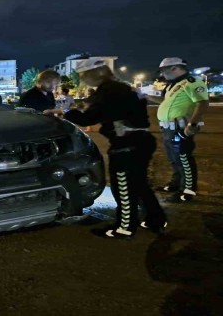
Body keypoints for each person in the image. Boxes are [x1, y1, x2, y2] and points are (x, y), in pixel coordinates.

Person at [44, 58, 166, 239]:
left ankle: (125, 227)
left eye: (84, 75)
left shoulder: (109, 91)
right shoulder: (122, 87)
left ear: (96, 73)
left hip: (126, 144)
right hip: (140, 140)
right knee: (140, 184)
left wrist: (66, 113)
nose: (83, 79)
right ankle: (155, 218)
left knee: (123, 187)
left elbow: (89, 118)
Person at [145, 58, 209, 202]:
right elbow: (165, 103)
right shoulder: (173, 85)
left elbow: (202, 103)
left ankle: (188, 190)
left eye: (163, 70)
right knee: (173, 158)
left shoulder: (193, 82)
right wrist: (147, 96)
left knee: (183, 158)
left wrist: (192, 125)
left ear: (174, 68)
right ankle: (175, 184)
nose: (162, 74)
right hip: (168, 128)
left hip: (181, 128)